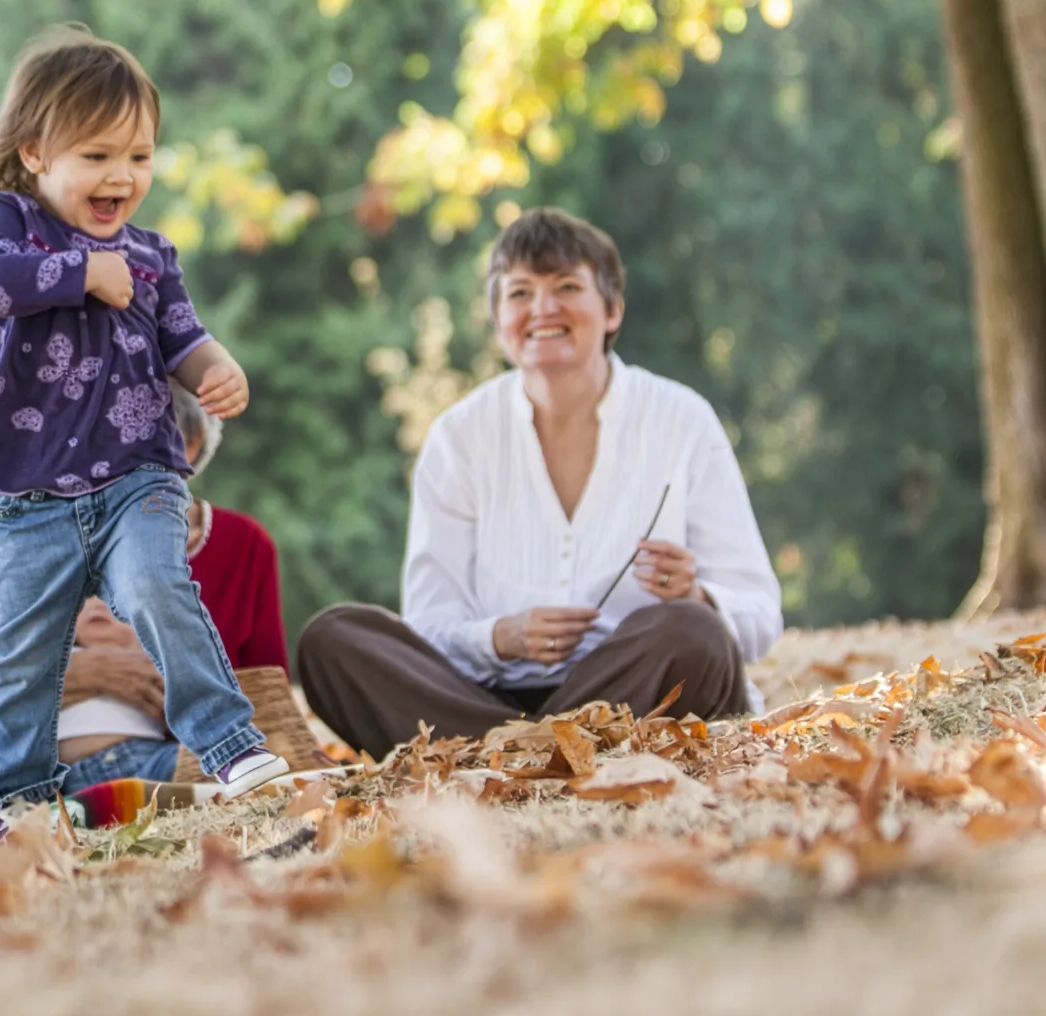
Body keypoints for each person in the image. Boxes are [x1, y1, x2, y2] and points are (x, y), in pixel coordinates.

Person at [0, 24, 288, 846]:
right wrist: (76, 272)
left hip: (138, 474)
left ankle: (229, 740)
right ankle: (9, 794)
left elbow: (183, 337)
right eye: (97, 156)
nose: (121, 177)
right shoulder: (11, 227)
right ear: (35, 153)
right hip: (33, 497)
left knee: (156, 588)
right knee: (27, 649)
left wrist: (216, 366)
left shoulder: (152, 256)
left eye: (138, 156)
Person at [297, 208, 783, 755]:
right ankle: (547, 750)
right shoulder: (458, 437)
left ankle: (508, 755)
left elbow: (760, 613)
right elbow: (430, 624)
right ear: (498, 318)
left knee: (693, 633)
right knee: (334, 639)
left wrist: (695, 594)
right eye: (520, 292)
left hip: (634, 688)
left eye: (567, 287)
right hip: (485, 699)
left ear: (613, 309)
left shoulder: (681, 419)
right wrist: (500, 638)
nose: (543, 309)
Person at [0, 383, 289, 845]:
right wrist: (76, 673)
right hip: (17, 761)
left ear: (184, 449)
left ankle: (90, 811)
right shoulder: (26, 533)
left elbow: (267, 701)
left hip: (150, 757)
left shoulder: (243, 546)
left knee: (193, 784)